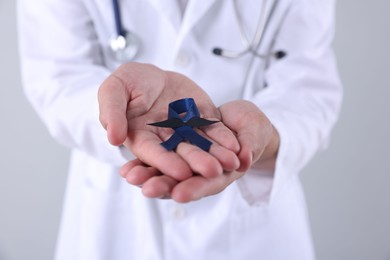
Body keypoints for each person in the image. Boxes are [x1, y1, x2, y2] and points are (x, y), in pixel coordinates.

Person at [17, 0, 342, 259]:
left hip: (254, 231)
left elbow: (308, 90)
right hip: (114, 223)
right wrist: (115, 109)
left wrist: (267, 134)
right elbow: (57, 78)